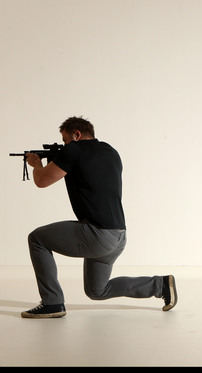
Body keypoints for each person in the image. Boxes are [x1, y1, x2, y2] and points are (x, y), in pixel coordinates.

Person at [21, 116, 177, 318]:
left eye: (65, 140)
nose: (63, 145)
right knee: (97, 291)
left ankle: (52, 303)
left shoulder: (73, 150)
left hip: (97, 234)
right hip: (118, 235)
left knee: (37, 239)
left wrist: (36, 163)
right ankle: (160, 285)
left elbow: (41, 181)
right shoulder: (110, 151)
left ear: (76, 135)